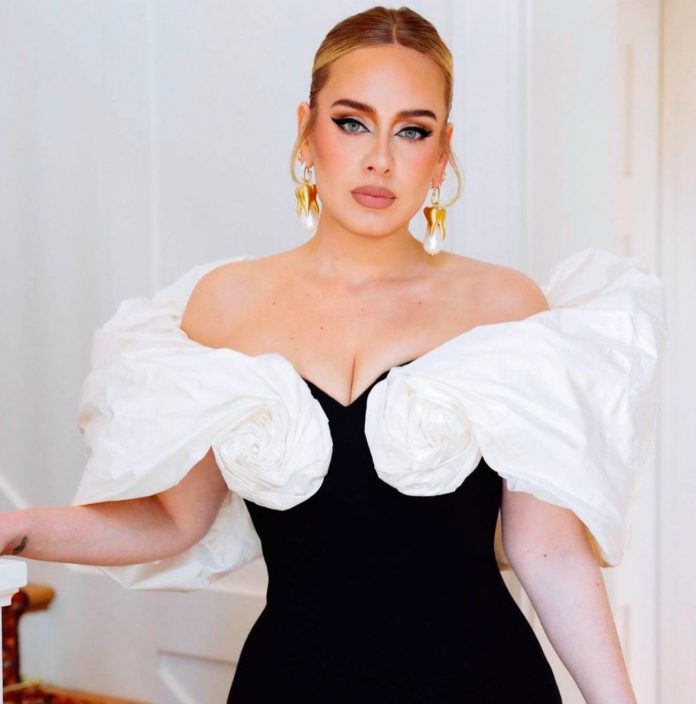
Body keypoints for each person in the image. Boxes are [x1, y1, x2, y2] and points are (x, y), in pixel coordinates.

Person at [0, 6, 665, 703]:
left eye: (412, 130)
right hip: (290, 682)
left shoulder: (505, 306)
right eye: (352, 122)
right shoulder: (225, 305)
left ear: (442, 153)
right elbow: (173, 519)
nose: (380, 158)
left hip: (481, 682)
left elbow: (547, 549)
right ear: (306, 129)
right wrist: (18, 530)